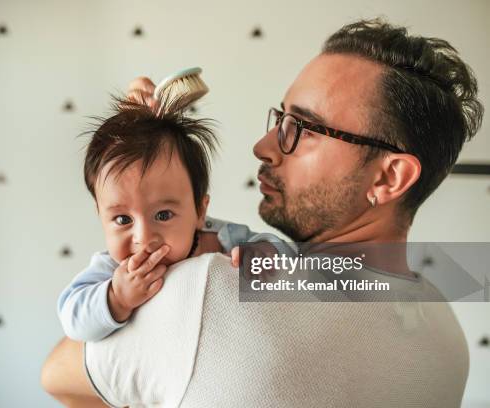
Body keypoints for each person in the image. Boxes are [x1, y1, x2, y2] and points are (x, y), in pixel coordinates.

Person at [41, 18, 484, 407]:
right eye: (279, 120)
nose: (265, 146)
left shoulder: (208, 291)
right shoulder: (447, 333)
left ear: (388, 179)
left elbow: (57, 377)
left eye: (302, 129)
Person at [57, 96, 285, 343]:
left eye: (163, 215)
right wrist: (117, 298)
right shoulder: (113, 269)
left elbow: (287, 257)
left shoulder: (222, 239)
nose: (143, 238)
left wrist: (265, 252)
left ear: (199, 211)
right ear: (101, 216)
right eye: (123, 219)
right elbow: (72, 319)